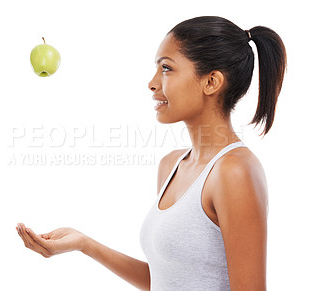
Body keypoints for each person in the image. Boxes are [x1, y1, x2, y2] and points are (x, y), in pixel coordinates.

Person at [16, 16, 287, 290]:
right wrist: (84, 244)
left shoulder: (234, 171)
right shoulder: (171, 165)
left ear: (211, 82)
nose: (152, 83)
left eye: (166, 68)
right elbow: (164, 281)